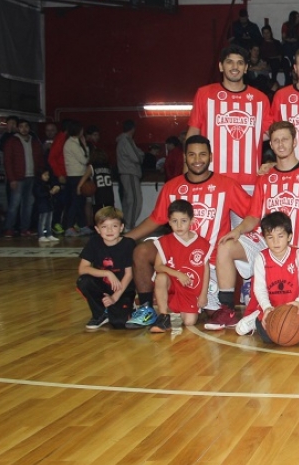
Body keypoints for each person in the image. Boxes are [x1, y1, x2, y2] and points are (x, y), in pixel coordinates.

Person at [210, 122, 299, 331]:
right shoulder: (265, 178)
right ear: (271, 145)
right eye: (276, 140)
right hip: (265, 242)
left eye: (285, 139)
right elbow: (254, 216)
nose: (281, 144)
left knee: (295, 315)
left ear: (294, 142)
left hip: (296, 247)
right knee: (225, 246)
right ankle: (227, 310)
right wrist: (237, 230)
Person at [124, 135, 255, 323]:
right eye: (192, 155)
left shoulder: (227, 185)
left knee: (213, 314)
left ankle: (206, 302)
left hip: (208, 263)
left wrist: (240, 230)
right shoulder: (172, 187)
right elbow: (156, 219)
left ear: (210, 156)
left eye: (202, 154)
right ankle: (147, 309)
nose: (197, 159)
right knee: (141, 251)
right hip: (175, 260)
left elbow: (253, 213)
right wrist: (126, 238)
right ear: (185, 157)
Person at [233, 212, 299, 341]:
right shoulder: (261, 258)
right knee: (269, 338)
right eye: (270, 237)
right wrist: (266, 307)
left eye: (280, 236)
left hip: (296, 306)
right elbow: (259, 289)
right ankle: (256, 318)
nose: (276, 242)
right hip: (272, 308)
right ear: (264, 238)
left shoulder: (298, 255)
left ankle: (292, 329)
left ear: (289, 236)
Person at [188, 45, 272, 189]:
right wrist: (187, 172)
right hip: (212, 179)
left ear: (246, 68)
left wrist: (274, 163)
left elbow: (269, 134)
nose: (235, 67)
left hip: (249, 181)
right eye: (229, 62)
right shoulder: (205, 94)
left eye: (240, 63)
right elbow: (193, 133)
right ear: (221, 66)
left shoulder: (260, 99)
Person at [148, 200, 211, 333]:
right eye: (174, 221)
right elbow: (158, 266)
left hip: (189, 289)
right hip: (171, 284)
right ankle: (164, 316)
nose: (179, 225)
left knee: (189, 322)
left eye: (183, 221)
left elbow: (206, 270)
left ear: (192, 221)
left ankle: (177, 311)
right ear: (169, 222)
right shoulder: (165, 241)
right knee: (161, 278)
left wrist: (203, 294)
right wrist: (177, 274)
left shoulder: (202, 244)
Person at [77, 206, 136, 330]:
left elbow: (129, 274)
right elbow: (82, 269)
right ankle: (100, 313)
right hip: (103, 288)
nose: (109, 230)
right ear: (97, 229)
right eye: (104, 227)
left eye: (114, 226)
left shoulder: (128, 244)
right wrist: (107, 273)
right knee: (84, 281)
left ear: (121, 227)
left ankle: (129, 306)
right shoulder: (94, 242)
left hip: (122, 289)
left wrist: (114, 297)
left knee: (120, 323)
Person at [3, 118, 43, 237]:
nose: (24, 129)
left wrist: (39, 173)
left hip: (31, 176)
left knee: (28, 204)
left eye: (26, 126)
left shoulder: (34, 141)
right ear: (17, 128)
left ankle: (24, 228)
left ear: (29, 128)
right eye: (21, 126)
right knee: (14, 204)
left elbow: (39, 158)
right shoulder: (12, 141)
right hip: (18, 177)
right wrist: (12, 179)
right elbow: (7, 161)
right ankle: (9, 228)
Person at [115, 119, 144, 231]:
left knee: (129, 200)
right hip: (130, 172)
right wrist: (141, 155)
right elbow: (136, 157)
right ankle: (129, 225)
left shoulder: (121, 140)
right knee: (135, 200)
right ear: (133, 129)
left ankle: (126, 225)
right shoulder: (127, 140)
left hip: (125, 173)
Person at [34, 169, 60, 243]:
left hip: (49, 204)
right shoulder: (37, 184)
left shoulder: (47, 183)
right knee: (42, 221)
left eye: (48, 175)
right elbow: (39, 194)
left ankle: (49, 234)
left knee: (49, 221)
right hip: (42, 205)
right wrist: (50, 192)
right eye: (45, 175)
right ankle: (41, 235)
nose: (47, 176)